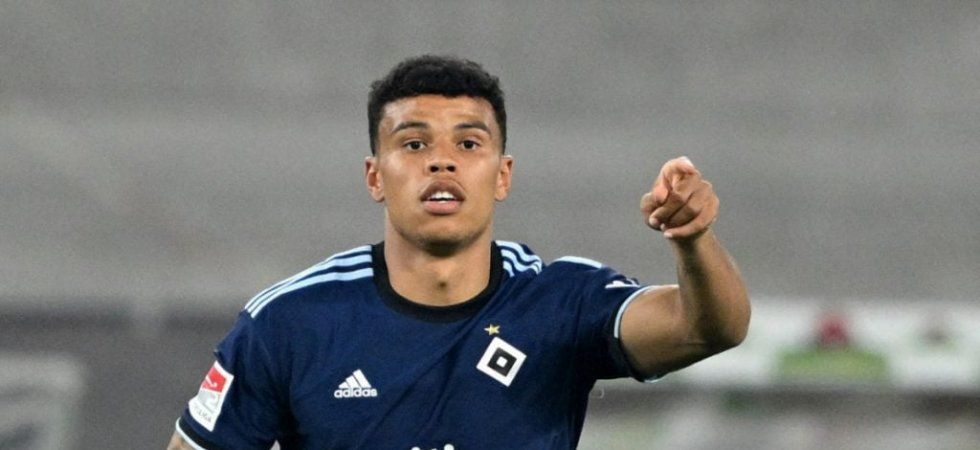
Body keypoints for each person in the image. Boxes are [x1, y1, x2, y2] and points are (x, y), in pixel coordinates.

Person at [167, 55, 750, 450]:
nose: (441, 161)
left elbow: (712, 329)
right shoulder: (290, 322)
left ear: (503, 174)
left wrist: (693, 239)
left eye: (469, 143)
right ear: (375, 176)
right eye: (413, 144)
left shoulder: (560, 303)